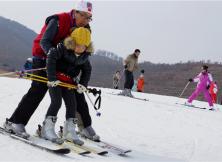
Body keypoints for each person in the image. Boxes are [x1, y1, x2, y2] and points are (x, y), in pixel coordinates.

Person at [4, 0, 94, 138]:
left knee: (76, 93)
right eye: (84, 16)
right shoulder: (59, 20)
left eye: (89, 17)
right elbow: (44, 41)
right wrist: (52, 55)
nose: (86, 20)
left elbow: (83, 48)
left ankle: (85, 127)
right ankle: (15, 122)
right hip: (42, 57)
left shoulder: (85, 29)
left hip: (63, 63)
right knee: (38, 90)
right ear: (75, 12)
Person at [40, 27, 92, 145]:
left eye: (84, 46)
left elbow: (87, 70)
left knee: (72, 104)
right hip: (56, 81)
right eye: (78, 45)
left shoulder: (84, 57)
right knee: (56, 102)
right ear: (73, 42)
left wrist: (83, 84)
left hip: (69, 82)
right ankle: (47, 129)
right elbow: (51, 56)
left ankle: (69, 131)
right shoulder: (62, 48)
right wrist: (52, 78)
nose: (80, 48)